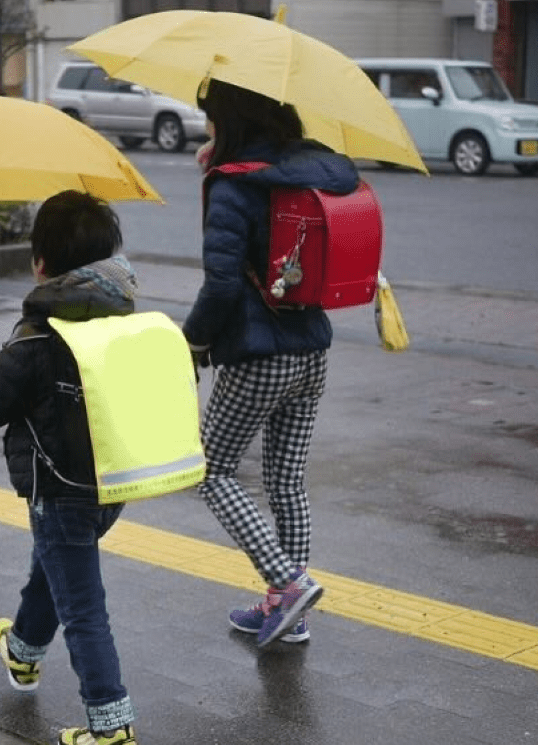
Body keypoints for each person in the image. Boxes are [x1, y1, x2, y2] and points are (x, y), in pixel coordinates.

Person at [0, 191, 139, 745]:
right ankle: (24, 650)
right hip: (111, 486)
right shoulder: (122, 322)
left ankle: (112, 728)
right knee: (56, 568)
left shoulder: (34, 339)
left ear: (40, 266)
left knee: (83, 606)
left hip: (59, 491)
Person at [183, 79, 361, 648]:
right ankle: (290, 615)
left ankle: (287, 584)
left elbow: (221, 285)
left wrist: (192, 345)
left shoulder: (235, 186)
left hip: (259, 357)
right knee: (287, 481)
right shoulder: (311, 169)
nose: (205, 126)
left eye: (209, 116)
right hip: (312, 349)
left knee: (211, 471)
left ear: (229, 120)